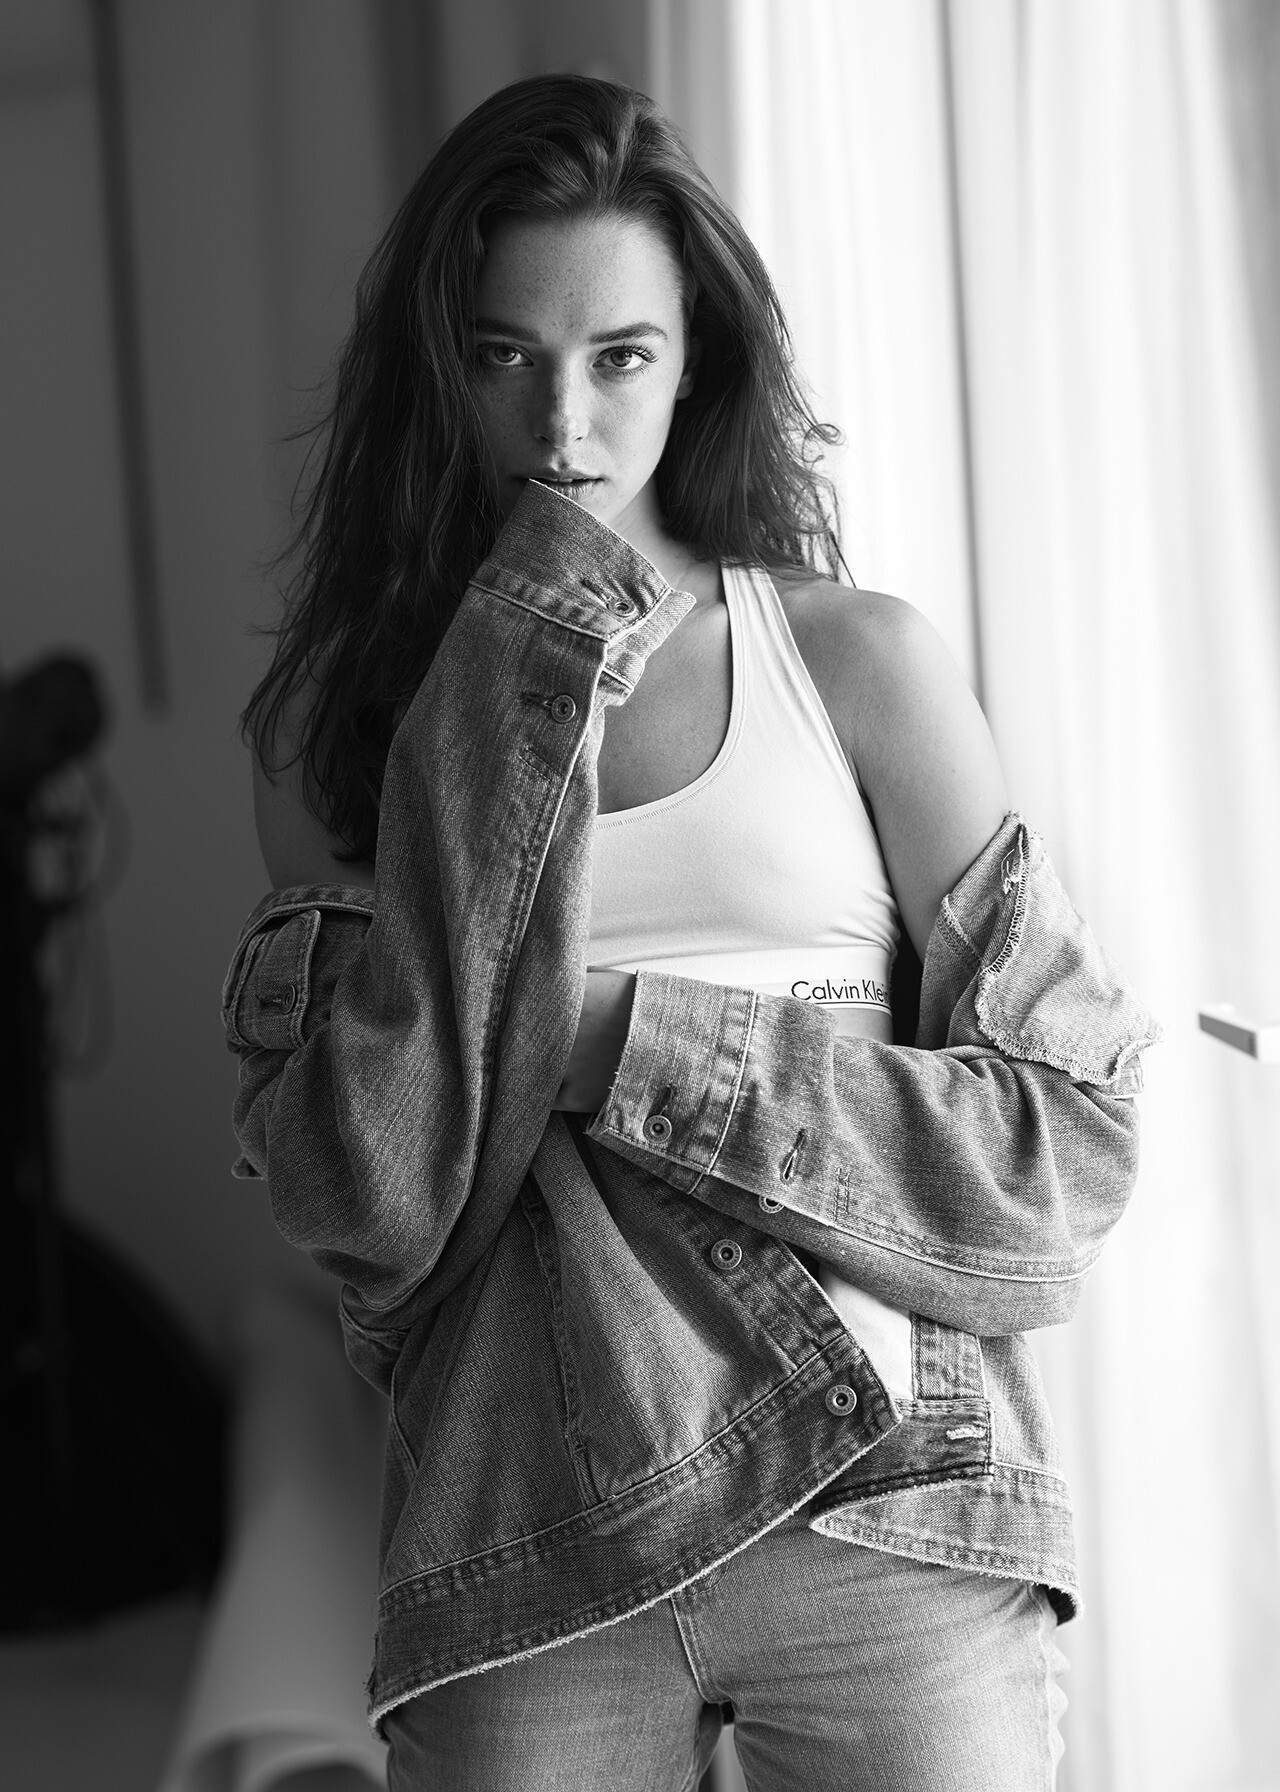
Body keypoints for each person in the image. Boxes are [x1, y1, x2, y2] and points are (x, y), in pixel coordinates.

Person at [225, 74, 1157, 1791]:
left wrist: (607, 1042)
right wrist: (513, 649)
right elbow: (368, 1204)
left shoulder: (853, 663)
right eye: (504, 355)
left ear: (697, 359)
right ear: (437, 370)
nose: (562, 421)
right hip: (527, 1550)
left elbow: (1061, 1160)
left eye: (620, 356)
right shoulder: (344, 737)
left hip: (891, 1511)